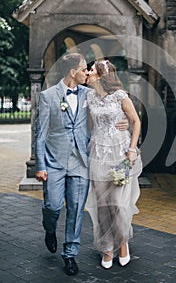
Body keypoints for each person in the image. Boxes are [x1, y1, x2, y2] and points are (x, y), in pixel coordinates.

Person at [35, 53, 128, 276]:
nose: (87, 72)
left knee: (76, 209)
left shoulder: (89, 93)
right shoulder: (48, 96)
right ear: (72, 72)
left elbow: (113, 102)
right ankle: (49, 229)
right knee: (53, 206)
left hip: (81, 161)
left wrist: (123, 121)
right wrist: (41, 165)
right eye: (83, 69)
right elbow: (40, 135)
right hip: (54, 161)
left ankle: (70, 254)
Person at [85, 59, 143, 269]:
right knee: (102, 205)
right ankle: (107, 247)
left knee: (118, 204)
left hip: (120, 153)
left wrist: (132, 149)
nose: (88, 73)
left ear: (101, 75)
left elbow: (135, 121)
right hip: (98, 154)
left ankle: (123, 243)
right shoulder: (88, 96)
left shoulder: (120, 96)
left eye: (91, 70)